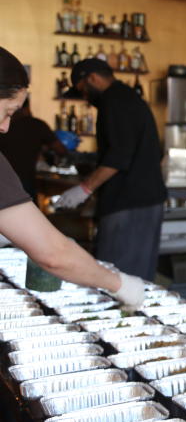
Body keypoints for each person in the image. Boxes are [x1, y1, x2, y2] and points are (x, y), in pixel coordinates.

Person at [0, 47, 143, 308]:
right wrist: (121, 285)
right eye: (9, 111)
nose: (5, 127)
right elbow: (53, 254)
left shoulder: (120, 103)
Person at [57, 58, 166, 281]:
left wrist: (84, 189)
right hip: (143, 201)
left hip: (130, 205)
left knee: (117, 278)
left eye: (84, 91)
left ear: (93, 78)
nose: (86, 98)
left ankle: (124, 317)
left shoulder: (113, 101)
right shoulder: (127, 98)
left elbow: (118, 156)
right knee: (137, 276)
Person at [0, 97, 67, 200]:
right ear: (26, 107)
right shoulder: (36, 125)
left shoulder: (4, 125)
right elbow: (61, 150)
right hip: (25, 180)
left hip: (4, 181)